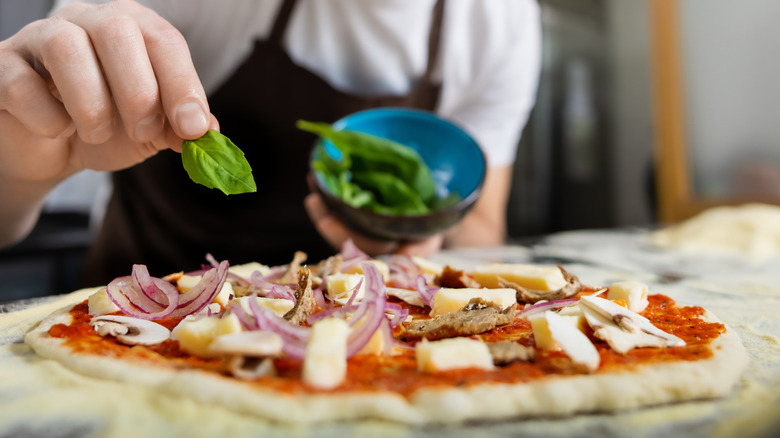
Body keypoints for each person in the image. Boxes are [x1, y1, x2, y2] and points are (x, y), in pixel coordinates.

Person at [0, 0, 541, 286]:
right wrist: (22, 168)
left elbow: (480, 228)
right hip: (137, 320)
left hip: (351, 348)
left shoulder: (503, 18)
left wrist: (415, 244)